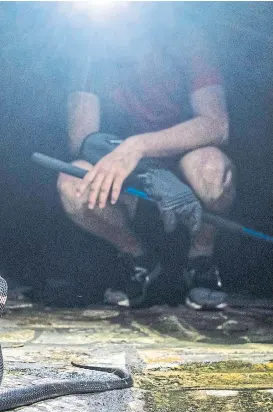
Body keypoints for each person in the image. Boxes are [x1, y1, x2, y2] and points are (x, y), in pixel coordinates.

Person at [57, 4, 236, 310]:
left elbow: (216, 124)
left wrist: (140, 148)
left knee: (212, 171)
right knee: (72, 181)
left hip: (182, 158)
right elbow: (82, 141)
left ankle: (200, 261)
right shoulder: (90, 53)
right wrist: (143, 169)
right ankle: (139, 261)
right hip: (122, 164)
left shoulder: (186, 39)